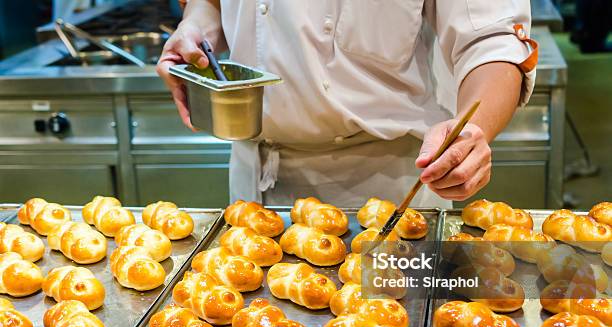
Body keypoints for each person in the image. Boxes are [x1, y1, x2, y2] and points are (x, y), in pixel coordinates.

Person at [158, 0, 537, 208]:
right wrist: (196, 28)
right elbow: (213, 4)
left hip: (385, 191)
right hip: (252, 184)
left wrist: (475, 128)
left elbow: (493, 39)